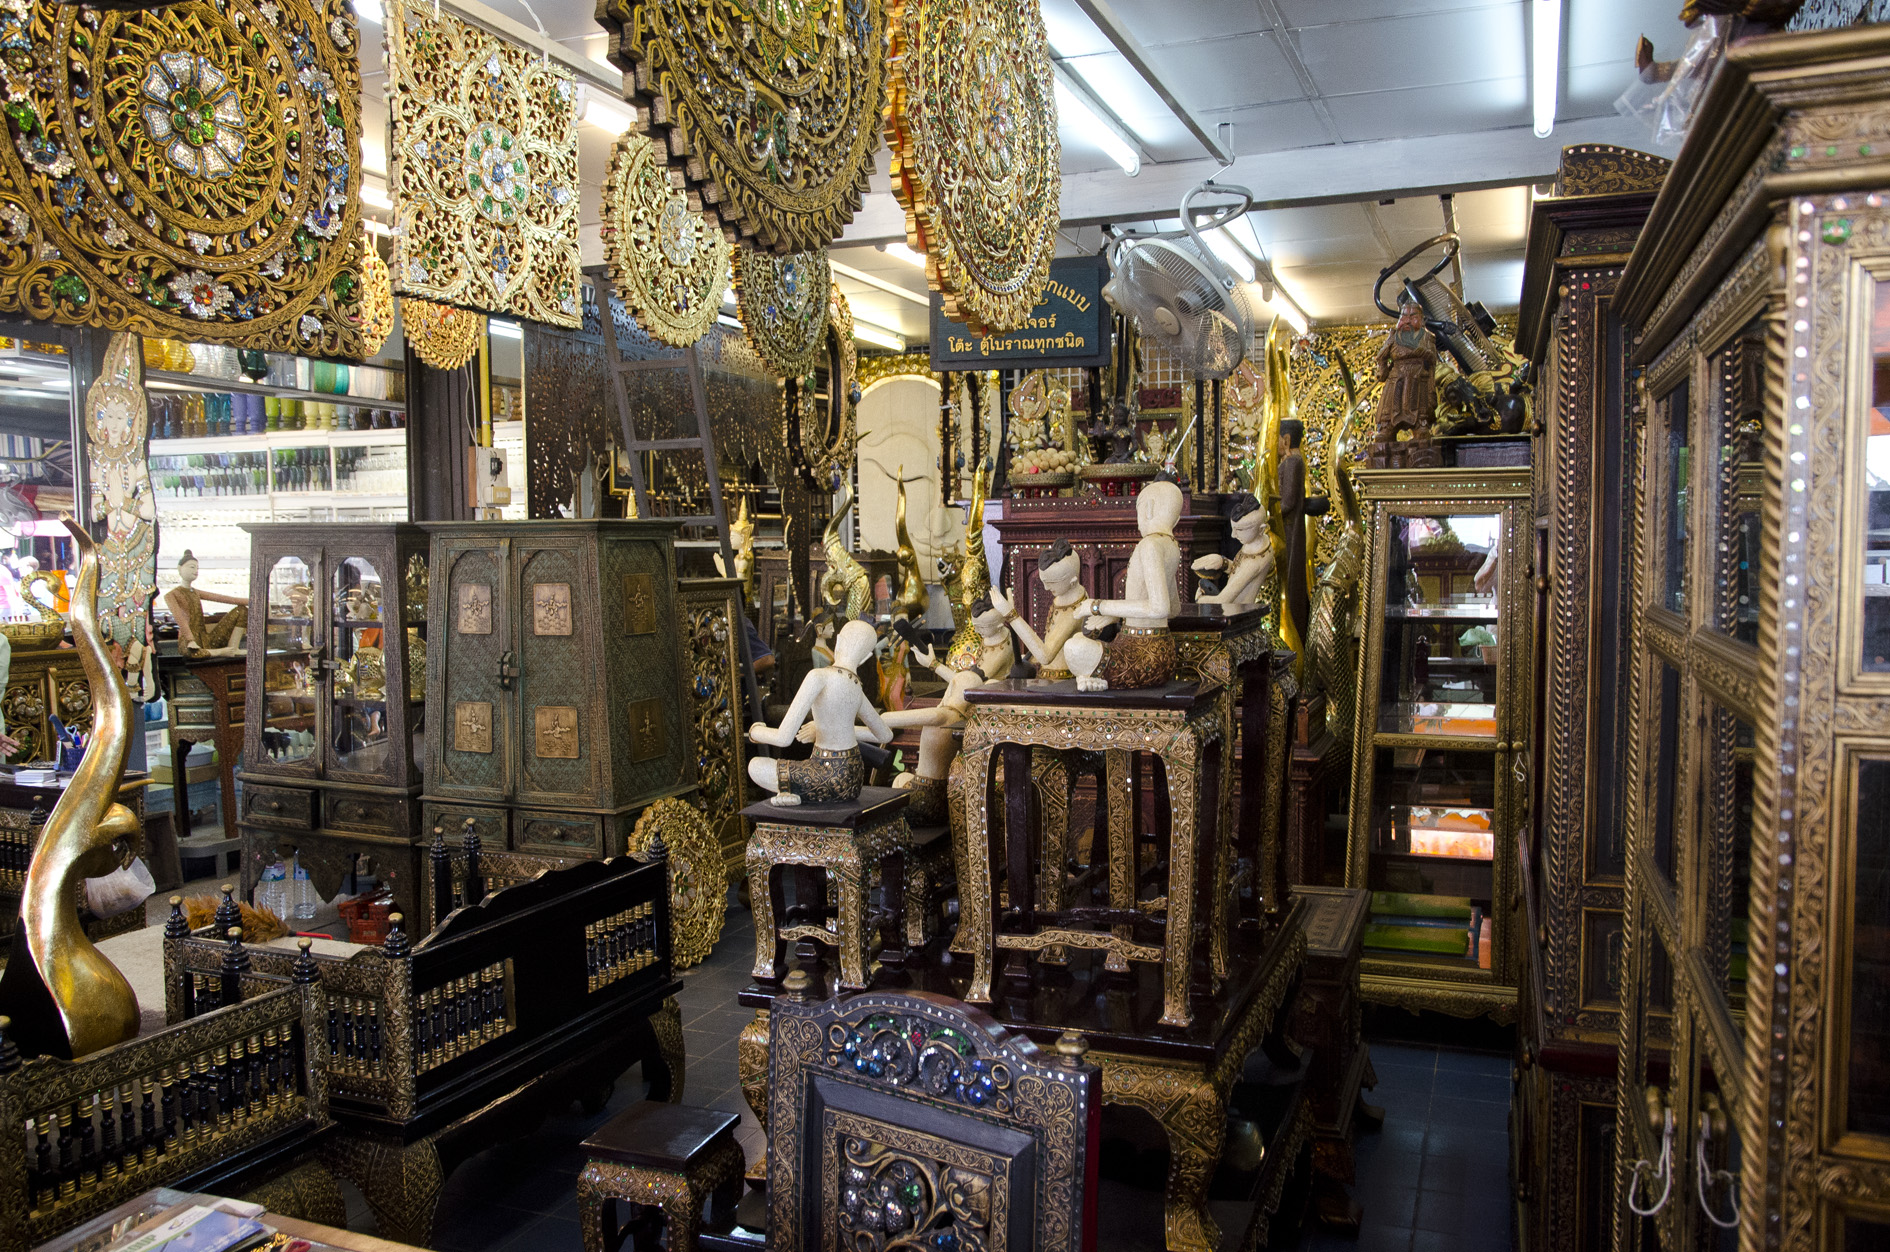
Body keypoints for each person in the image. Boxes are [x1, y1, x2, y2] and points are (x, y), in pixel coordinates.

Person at [747, 619, 889, 806]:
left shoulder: (818, 676)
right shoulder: (857, 688)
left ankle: (794, 791)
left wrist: (755, 732)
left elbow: (783, 738)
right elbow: (885, 735)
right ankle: (794, 792)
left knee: (756, 766)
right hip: (853, 781)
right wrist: (829, 729)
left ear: (838, 641)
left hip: (824, 775)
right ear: (866, 657)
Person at [1075, 480, 1184, 689]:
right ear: (1177, 519)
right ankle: (1096, 679)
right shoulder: (1171, 545)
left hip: (1142, 655)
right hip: (1162, 652)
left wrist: (1097, 606)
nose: (1138, 522)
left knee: (1075, 647)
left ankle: (1099, 680)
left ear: (1148, 508)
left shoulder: (1150, 544)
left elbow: (1160, 608)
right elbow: (1173, 608)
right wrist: (1115, 615)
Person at [992, 538, 1085, 680]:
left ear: (1072, 581)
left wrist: (1010, 614)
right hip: (1047, 674)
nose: (1046, 588)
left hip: (1060, 681)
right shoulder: (1064, 596)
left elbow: (1046, 656)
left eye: (1051, 582)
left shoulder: (1074, 611)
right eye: (1044, 582)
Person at [1192, 493, 1273, 608]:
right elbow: (1241, 572)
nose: (1233, 535)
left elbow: (1223, 600)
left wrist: (1200, 599)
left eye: (1240, 530)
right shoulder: (1256, 543)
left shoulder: (1254, 563)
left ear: (1261, 529)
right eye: (1233, 529)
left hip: (1239, 612)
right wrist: (1223, 563)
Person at [164, 551, 248, 656]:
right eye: (192, 567)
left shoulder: (196, 592)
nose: (196, 571)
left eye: (197, 568)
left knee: (242, 610)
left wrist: (255, 601)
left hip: (206, 640)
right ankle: (221, 652)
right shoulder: (171, 595)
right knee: (193, 652)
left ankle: (233, 648)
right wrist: (190, 640)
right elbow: (180, 620)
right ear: (179, 568)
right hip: (190, 641)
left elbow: (228, 599)